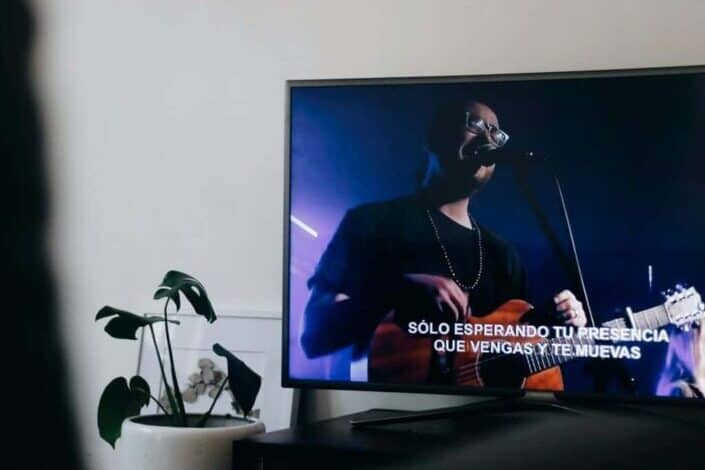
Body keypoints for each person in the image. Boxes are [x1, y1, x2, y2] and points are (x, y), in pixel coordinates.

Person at [300, 99, 586, 382]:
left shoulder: (503, 255)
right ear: (434, 139)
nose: (488, 137)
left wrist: (558, 323)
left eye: (496, 133)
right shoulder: (371, 222)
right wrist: (396, 292)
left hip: (488, 422)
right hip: (396, 412)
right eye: (474, 124)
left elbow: (515, 351)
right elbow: (313, 337)